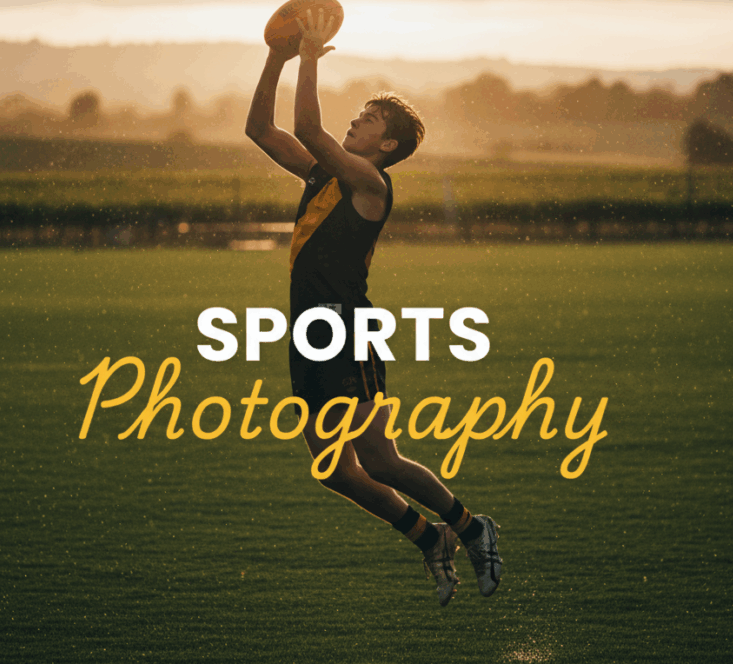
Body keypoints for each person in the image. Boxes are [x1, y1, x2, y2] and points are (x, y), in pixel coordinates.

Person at [244, 8, 501, 606]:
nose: (355, 122)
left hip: (346, 331)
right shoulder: (322, 176)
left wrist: (307, 54)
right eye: (357, 115)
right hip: (311, 332)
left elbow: (308, 128)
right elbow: (261, 129)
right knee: (333, 468)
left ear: (387, 146)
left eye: (367, 120)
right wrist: (276, 58)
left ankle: (470, 527)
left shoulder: (370, 185)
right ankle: (428, 537)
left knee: (380, 458)